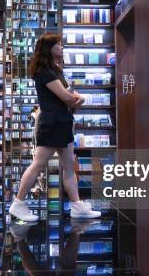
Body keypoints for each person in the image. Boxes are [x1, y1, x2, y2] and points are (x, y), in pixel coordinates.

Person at [9, 33, 101, 221]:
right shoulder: (45, 72)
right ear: (48, 48)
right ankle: (17, 203)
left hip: (62, 122)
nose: (62, 48)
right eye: (58, 45)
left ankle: (76, 206)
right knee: (38, 164)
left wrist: (76, 99)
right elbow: (68, 97)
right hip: (52, 123)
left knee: (68, 166)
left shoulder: (55, 70)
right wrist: (77, 99)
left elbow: (71, 94)